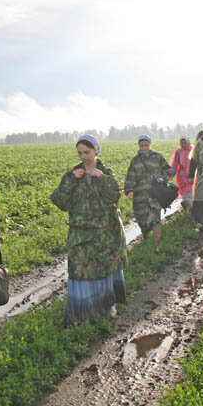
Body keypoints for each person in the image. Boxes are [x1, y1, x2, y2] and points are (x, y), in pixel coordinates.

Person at [51, 135, 127, 325]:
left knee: (104, 269)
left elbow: (114, 198)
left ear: (96, 151)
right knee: (80, 270)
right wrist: (70, 180)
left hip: (105, 233)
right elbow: (60, 201)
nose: (84, 157)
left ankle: (106, 307)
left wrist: (102, 179)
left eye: (87, 152)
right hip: (80, 233)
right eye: (80, 153)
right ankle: (82, 313)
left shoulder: (105, 173)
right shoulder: (73, 175)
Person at [124, 135, 173, 252]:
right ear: (139, 146)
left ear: (150, 144)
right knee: (142, 220)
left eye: (146, 145)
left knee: (155, 220)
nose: (144, 148)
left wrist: (163, 178)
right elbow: (130, 177)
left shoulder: (158, 157)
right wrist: (130, 191)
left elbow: (170, 170)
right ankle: (145, 237)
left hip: (155, 195)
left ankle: (156, 246)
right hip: (140, 196)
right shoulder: (135, 161)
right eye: (142, 145)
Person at [170, 135, 194, 212]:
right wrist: (169, 175)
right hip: (183, 178)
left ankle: (191, 210)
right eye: (182, 143)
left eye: (185, 142)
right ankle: (189, 211)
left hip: (194, 176)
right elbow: (174, 164)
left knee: (194, 196)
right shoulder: (179, 152)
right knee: (187, 196)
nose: (183, 144)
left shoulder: (194, 150)